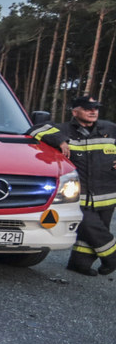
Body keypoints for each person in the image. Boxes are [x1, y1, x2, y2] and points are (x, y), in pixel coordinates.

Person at [29, 94, 116, 276]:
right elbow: (34, 129)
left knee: (93, 231)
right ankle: (112, 257)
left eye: (95, 108)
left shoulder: (110, 129)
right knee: (94, 229)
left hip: (106, 193)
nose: (93, 111)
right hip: (78, 194)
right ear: (75, 111)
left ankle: (79, 263)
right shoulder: (63, 130)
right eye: (87, 108)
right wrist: (59, 139)